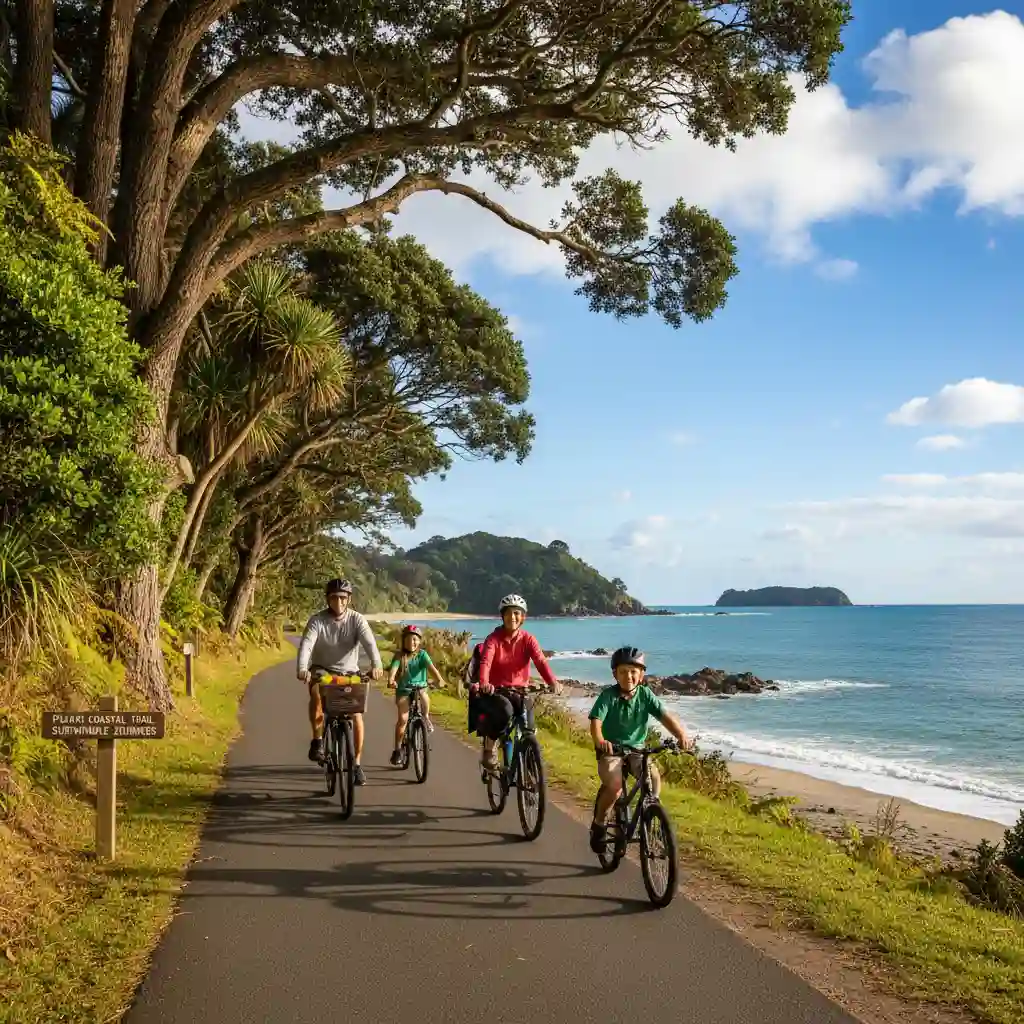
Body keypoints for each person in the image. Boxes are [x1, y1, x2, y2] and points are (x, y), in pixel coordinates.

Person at [588, 646, 691, 853]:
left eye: (634, 671)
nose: (629, 676)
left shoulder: (645, 695)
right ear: (615, 674)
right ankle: (599, 824)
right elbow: (596, 721)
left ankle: (651, 813)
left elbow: (665, 716)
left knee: (652, 778)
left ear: (642, 674)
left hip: (637, 750)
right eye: (623, 671)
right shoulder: (608, 695)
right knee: (616, 786)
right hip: (611, 751)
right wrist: (600, 740)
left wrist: (681, 735)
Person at [296, 578, 383, 785]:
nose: (339, 602)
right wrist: (301, 668)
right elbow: (307, 645)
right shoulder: (317, 620)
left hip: (349, 672)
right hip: (322, 670)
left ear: (349, 599)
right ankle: (317, 741)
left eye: (343, 598)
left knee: (356, 714)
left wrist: (377, 665)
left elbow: (370, 643)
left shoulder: (357, 620)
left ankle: (357, 765)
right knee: (316, 694)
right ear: (327, 599)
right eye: (334, 597)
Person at [476, 594, 559, 771]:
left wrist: (552, 682)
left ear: (523, 617)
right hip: (497, 691)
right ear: (502, 616)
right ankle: (489, 749)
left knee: (529, 728)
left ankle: (530, 768)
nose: (512, 617)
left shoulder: (528, 639)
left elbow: (540, 661)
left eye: (516, 613)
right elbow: (486, 662)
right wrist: (484, 682)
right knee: (505, 712)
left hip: (521, 691)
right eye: (508, 613)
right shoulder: (493, 639)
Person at [387, 624, 447, 765]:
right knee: (403, 719)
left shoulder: (422, 655)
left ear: (419, 641)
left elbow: (432, 669)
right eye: (408, 639)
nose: (412, 642)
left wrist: (440, 680)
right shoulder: (399, 656)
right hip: (403, 690)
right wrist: (391, 680)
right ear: (403, 641)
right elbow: (394, 669)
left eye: (415, 639)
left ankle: (425, 717)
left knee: (424, 696)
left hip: (420, 688)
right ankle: (397, 750)